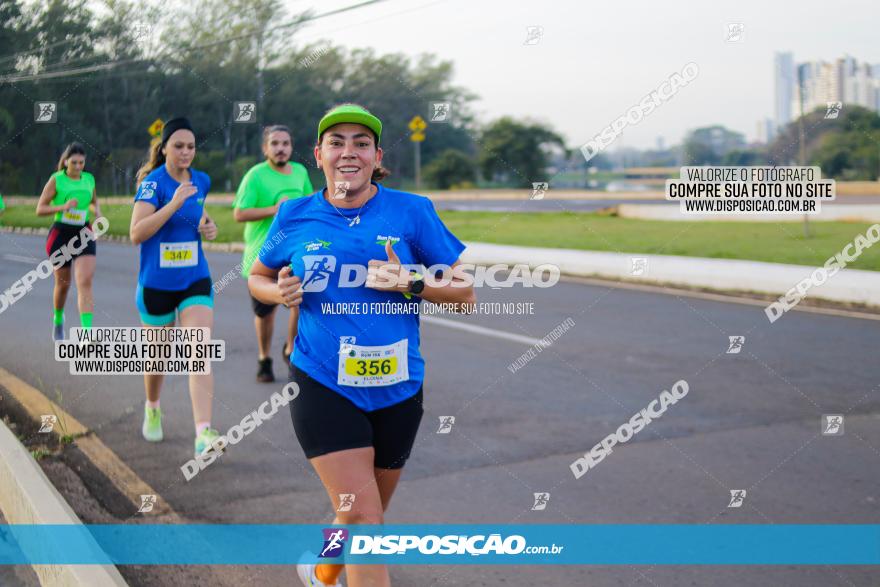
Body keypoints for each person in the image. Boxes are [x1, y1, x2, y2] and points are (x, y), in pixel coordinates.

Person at [248, 104, 476, 587]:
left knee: (356, 514)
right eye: (337, 142)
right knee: (366, 523)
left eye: (360, 143)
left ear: (376, 156)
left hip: (399, 388)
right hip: (323, 383)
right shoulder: (294, 214)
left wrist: (410, 280)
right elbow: (258, 276)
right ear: (318, 155)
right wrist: (277, 292)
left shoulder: (413, 212)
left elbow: (465, 294)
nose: (348, 151)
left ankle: (323, 571)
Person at [130, 117, 224, 458]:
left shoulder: (202, 180)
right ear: (165, 147)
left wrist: (208, 226)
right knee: (157, 359)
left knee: (199, 352)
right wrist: (172, 204)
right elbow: (136, 233)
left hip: (194, 279)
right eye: (179, 146)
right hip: (156, 284)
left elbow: (196, 217)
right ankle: (153, 406)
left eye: (191, 146)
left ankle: (203, 434)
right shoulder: (154, 184)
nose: (186, 152)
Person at [233, 124, 313, 383]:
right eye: (275, 144)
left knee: (300, 301)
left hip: (295, 251)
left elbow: (309, 204)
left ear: (291, 147)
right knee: (265, 314)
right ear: (265, 148)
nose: (281, 148)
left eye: (286, 143)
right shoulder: (255, 176)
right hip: (263, 254)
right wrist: (274, 209)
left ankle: (290, 349)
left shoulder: (300, 172)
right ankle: (264, 357)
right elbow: (239, 213)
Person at [35, 143, 101, 340]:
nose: (79, 166)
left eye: (82, 162)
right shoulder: (57, 180)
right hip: (61, 234)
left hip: (83, 233)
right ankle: (58, 320)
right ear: (65, 161)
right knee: (63, 284)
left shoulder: (89, 179)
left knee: (85, 280)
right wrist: (63, 206)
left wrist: (97, 211)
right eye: (74, 162)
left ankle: (87, 335)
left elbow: (93, 202)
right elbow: (40, 209)